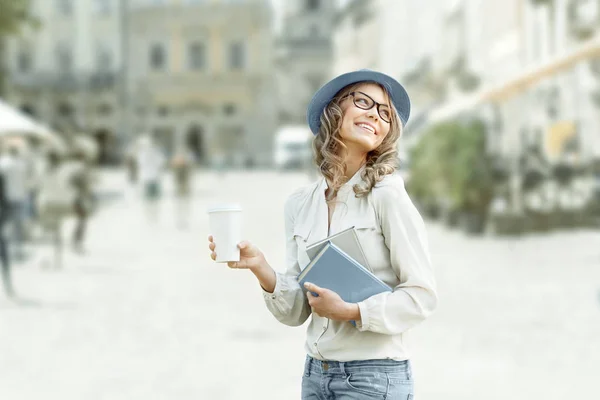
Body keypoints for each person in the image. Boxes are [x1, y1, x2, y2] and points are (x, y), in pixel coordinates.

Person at [208, 69, 437, 399]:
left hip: (374, 376)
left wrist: (352, 312)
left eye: (385, 112)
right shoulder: (300, 204)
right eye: (363, 101)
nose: (375, 113)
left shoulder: (387, 195)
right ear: (334, 110)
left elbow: (421, 297)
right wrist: (261, 268)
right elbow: (298, 310)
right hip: (316, 374)